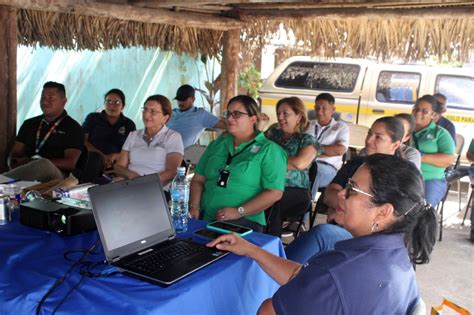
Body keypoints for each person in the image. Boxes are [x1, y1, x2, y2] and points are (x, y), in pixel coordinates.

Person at [208, 154, 437, 314]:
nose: (340, 194)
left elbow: (268, 311)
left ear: (383, 212)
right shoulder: (396, 253)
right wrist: (250, 249)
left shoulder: (339, 273)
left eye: (352, 190)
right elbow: (306, 277)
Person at [287, 116, 407, 263]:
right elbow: (329, 194)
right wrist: (345, 208)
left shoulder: (401, 175)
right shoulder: (356, 163)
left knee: (323, 234)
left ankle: (273, 277)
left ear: (395, 144)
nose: (369, 140)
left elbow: (393, 218)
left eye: (378, 137)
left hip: (374, 238)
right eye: (369, 134)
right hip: (344, 227)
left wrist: (341, 210)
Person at [189, 95, 287, 232]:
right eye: (228, 114)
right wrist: (194, 206)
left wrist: (238, 211)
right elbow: (198, 179)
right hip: (204, 216)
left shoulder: (269, 150)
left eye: (237, 114)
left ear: (253, 119)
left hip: (244, 221)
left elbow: (274, 192)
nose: (229, 119)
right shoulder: (217, 144)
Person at [264, 97, 321, 237]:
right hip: (268, 184)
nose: (280, 117)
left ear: (299, 116)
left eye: (285, 113)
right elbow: (256, 148)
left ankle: (270, 246)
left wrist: (267, 162)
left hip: (296, 192)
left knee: (273, 199)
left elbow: (299, 163)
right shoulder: (273, 133)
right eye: (278, 113)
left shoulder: (306, 140)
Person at [5, 81, 84, 182]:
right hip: (26, 171)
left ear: (63, 101)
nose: (45, 102)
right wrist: (12, 161)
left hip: (56, 177)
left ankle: (4, 182)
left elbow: (70, 163)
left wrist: (33, 161)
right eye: (43, 97)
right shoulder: (29, 123)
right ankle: (6, 183)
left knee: (44, 164)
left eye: (51, 98)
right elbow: (15, 151)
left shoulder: (73, 128)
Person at [114, 95, 183, 186]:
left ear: (165, 118)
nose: (146, 115)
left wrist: (144, 182)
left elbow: (172, 171)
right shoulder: (133, 135)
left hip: (156, 187)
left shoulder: (173, 137)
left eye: (153, 111)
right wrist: (132, 177)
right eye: (145, 109)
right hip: (130, 184)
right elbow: (119, 167)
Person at [412, 95, 455, 207]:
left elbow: (449, 160)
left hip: (430, 180)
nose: (418, 113)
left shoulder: (441, 133)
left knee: (423, 210)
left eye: (424, 111)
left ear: (433, 115)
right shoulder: (404, 129)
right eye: (416, 109)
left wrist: (419, 157)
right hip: (405, 178)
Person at [307, 93, 349, 197]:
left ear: (333, 109)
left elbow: (340, 150)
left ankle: (305, 207)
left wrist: (311, 151)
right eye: (317, 108)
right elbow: (299, 146)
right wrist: (327, 151)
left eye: (324, 108)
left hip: (327, 169)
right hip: (304, 163)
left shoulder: (341, 127)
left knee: (314, 172)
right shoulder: (307, 125)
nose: (319, 112)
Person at [82, 89, 136, 169]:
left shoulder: (129, 124)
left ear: (123, 106)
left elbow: (133, 149)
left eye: (117, 102)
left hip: (118, 163)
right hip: (91, 159)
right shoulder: (92, 118)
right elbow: (83, 141)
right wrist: (101, 155)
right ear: (104, 104)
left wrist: (116, 156)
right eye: (108, 102)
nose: (112, 106)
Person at [167, 84, 225, 149]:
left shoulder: (200, 115)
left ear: (193, 99)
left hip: (180, 154)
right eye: (179, 99)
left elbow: (226, 125)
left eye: (184, 99)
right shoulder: (172, 113)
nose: (180, 102)